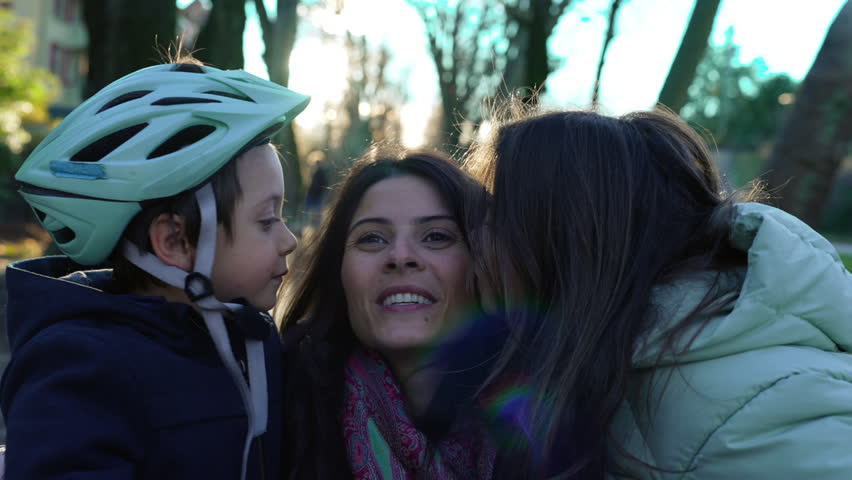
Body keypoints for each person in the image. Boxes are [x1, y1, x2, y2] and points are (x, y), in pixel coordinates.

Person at [459, 102, 852, 479]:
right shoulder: (619, 360)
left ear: (561, 240)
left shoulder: (753, 413)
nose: (476, 238)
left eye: (497, 216)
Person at [0, 58, 309, 480]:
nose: (288, 241)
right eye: (267, 220)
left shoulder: (252, 339)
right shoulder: (82, 371)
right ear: (175, 242)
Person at [276, 147, 495, 479]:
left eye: (436, 236)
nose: (401, 256)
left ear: (485, 263)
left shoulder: (557, 416)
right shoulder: (271, 414)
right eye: (373, 238)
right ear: (339, 270)